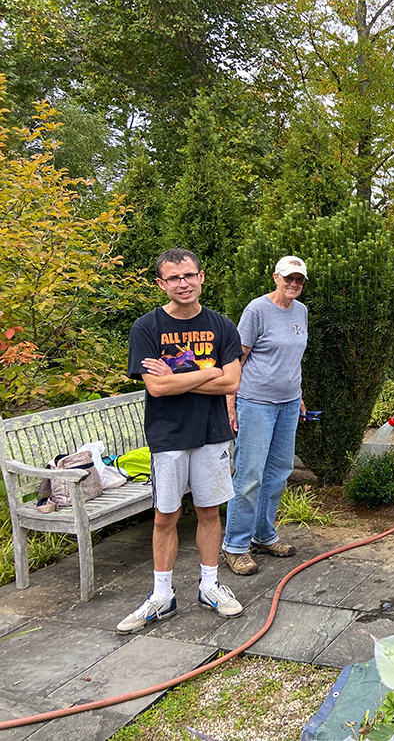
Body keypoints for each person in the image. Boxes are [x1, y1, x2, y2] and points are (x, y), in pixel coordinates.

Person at [117, 248, 244, 634]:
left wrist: (176, 374)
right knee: (165, 516)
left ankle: (209, 586)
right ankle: (162, 596)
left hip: (211, 434)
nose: (182, 284)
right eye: (173, 278)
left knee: (209, 511)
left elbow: (233, 382)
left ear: (201, 277)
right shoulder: (147, 328)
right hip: (168, 436)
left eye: (188, 275)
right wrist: (207, 372)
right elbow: (155, 388)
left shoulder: (222, 327)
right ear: (161, 284)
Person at [222, 256, 309, 576]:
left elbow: (293, 359)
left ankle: (262, 535)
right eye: (289, 278)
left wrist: (298, 396)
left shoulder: (301, 311)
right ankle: (235, 545)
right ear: (276, 277)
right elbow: (236, 359)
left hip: (287, 404)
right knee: (249, 476)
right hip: (255, 403)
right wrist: (231, 404)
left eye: (299, 279)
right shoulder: (256, 310)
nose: (294, 284)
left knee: (278, 473)